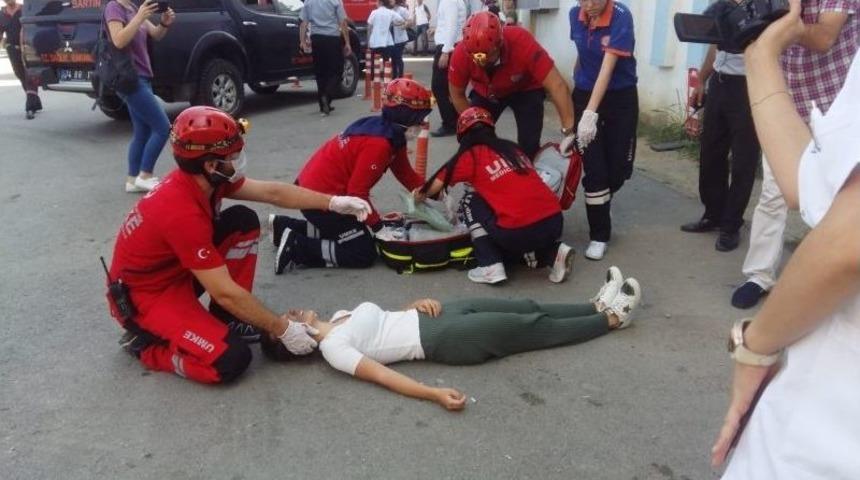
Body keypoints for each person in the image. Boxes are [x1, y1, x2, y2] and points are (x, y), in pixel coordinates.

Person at [106, 106, 372, 384]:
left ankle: (226, 320)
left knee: (243, 221)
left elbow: (273, 193)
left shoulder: (205, 181)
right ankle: (147, 347)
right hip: (147, 298)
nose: (239, 160)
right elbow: (225, 292)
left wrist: (332, 203)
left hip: (175, 271)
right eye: (233, 156)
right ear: (211, 164)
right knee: (230, 361)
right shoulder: (180, 211)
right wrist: (281, 328)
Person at [710, 1, 860, 476]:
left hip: (833, 421)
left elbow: (848, 238)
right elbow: (812, 184)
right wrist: (759, 50)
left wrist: (755, 346)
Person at [274, 267, 641, 410]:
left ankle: (592, 307)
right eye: (286, 323)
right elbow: (385, 375)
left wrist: (412, 303)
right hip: (445, 339)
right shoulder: (333, 350)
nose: (290, 313)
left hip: (435, 313)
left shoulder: (339, 318)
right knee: (530, 328)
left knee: (522, 306)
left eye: (285, 315)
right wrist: (434, 394)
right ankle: (610, 320)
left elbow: (384, 324)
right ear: (296, 341)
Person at [731, 0, 858, 309]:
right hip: (788, 106)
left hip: (836, 114)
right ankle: (759, 276)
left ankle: (831, 276)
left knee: (837, 203)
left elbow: (824, 38)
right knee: (773, 195)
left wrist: (788, 18)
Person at [269, 78, 431, 273]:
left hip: (311, 189)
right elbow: (358, 192)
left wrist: (437, 191)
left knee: (350, 231)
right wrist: (379, 228)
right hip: (320, 200)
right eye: (419, 119)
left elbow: (406, 174)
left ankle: (283, 227)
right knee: (362, 251)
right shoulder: (380, 144)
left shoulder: (388, 133)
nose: (421, 124)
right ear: (405, 116)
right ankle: (297, 247)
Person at [415, 106, 575, 284]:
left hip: (518, 231)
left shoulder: (470, 157)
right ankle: (554, 254)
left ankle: (490, 265)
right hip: (554, 222)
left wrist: (416, 197)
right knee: (512, 222)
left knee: (470, 201)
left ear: (463, 136)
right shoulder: (513, 149)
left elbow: (433, 187)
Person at [680, 0, 761, 253]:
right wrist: (702, 80)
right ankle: (713, 214)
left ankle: (731, 225)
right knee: (711, 153)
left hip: (749, 87)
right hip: (720, 84)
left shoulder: (764, 6)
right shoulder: (722, 5)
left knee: (742, 161)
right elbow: (716, 45)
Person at [448, 11, 577, 159]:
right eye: (475, 57)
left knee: (529, 144)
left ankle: (527, 175)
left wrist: (569, 131)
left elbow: (557, 85)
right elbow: (456, 95)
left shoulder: (521, 41)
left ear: (499, 44)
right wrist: (474, 126)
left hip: (525, 89)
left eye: (485, 55)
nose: (480, 61)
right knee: (474, 140)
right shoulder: (461, 54)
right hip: (486, 91)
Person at [568, 0, 639, 261]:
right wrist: (575, 108)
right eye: (584, 0)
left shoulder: (622, 16)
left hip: (620, 97)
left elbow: (607, 69)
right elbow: (582, 52)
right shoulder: (575, 14)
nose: (590, 5)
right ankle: (599, 235)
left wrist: (590, 113)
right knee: (595, 169)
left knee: (618, 169)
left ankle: (604, 200)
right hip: (585, 93)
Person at [104, 0, 172, 193]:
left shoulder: (133, 8)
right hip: (130, 79)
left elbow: (155, 34)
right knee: (162, 127)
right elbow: (118, 40)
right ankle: (146, 175)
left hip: (143, 76)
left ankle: (132, 180)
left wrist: (165, 23)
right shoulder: (114, 7)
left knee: (142, 131)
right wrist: (139, 17)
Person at [300, 0, 352, 116]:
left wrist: (302, 41)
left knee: (320, 72)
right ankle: (327, 96)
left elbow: (304, 22)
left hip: (317, 39)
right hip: (332, 39)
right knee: (337, 71)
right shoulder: (335, 1)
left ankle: (323, 105)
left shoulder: (309, 1)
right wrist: (347, 42)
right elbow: (342, 22)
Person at [429, 0, 468, 137]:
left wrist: (446, 51)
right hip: (450, 45)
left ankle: (450, 123)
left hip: (448, 47)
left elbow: (452, 26)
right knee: (447, 88)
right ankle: (456, 120)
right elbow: (451, 24)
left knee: (439, 87)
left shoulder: (449, 1)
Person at [0, 0, 42, 120]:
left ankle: (30, 108)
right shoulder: (2, 14)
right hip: (12, 49)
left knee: (30, 75)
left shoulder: (24, 10)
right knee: (20, 75)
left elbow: (31, 26)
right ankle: (35, 102)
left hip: (28, 47)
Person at [367, 0, 404, 77]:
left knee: (373, 62)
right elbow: (401, 21)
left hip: (375, 42)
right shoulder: (390, 12)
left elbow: (369, 27)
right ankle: (387, 80)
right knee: (386, 62)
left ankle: (372, 80)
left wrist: (368, 41)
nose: (376, 3)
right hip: (387, 42)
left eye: (377, 2)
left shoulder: (374, 12)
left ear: (380, 2)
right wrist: (393, 23)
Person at [391, 0, 411, 78]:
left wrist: (405, 25)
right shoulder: (389, 10)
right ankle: (394, 77)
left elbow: (410, 20)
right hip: (392, 38)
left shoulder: (402, 10)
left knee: (398, 57)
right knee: (393, 59)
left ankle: (400, 77)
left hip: (400, 39)